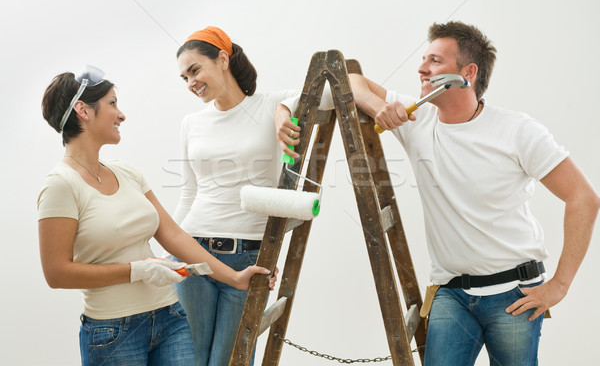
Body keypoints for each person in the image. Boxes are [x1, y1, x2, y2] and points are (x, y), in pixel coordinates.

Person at [282, 21, 600, 365]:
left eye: (434, 61)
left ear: (468, 72)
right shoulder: (418, 119)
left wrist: (560, 285)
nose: (421, 68)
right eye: (423, 59)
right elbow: (349, 79)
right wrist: (377, 106)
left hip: (514, 294)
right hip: (451, 295)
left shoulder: (518, 130)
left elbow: (583, 198)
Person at [38, 65, 276, 366]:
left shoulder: (127, 172)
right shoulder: (61, 185)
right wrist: (135, 271)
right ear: (83, 111)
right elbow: (56, 273)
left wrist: (235, 278)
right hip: (112, 332)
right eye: (112, 104)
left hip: (170, 318)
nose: (121, 115)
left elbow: (173, 234)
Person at [171, 26, 300, 366]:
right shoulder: (191, 123)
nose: (190, 83)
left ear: (223, 59)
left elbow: (323, 91)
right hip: (193, 254)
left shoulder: (270, 104)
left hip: (248, 258)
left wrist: (282, 111)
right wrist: (169, 252)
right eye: (184, 77)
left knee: (230, 362)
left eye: (195, 70)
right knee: (190, 360)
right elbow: (189, 193)